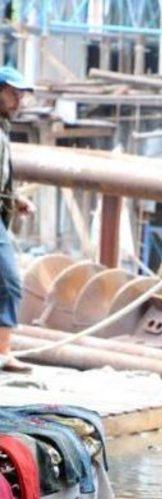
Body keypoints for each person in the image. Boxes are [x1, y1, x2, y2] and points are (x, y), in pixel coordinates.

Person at [0, 66, 36, 373]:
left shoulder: (3, 129)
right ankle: (4, 350)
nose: (18, 100)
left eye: (20, 95)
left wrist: (14, 198)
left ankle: (2, 350)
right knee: (10, 280)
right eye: (12, 93)